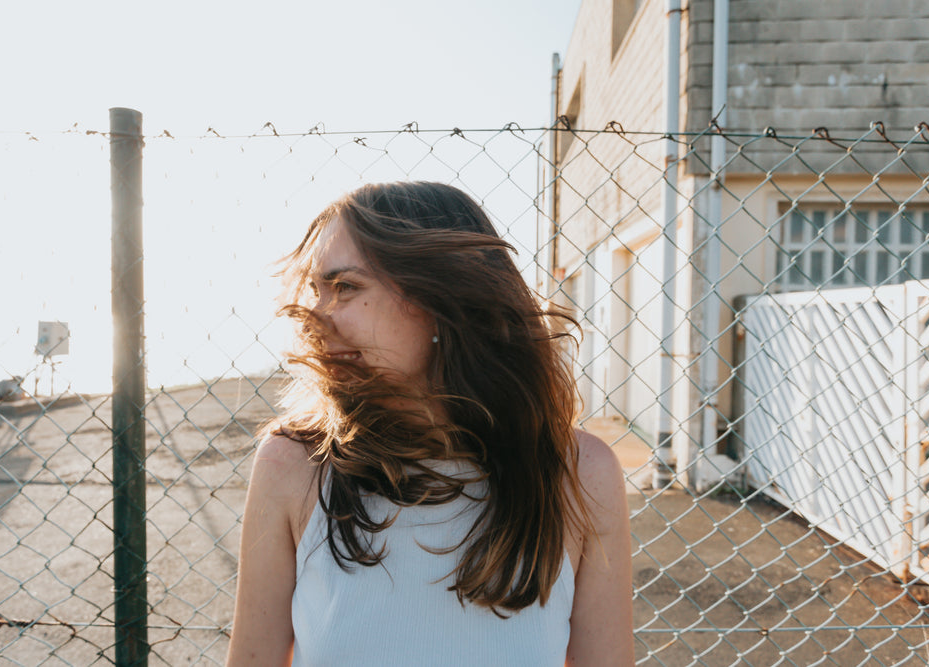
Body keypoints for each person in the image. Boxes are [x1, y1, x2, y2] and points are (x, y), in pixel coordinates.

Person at [227, 182, 634, 666]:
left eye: (346, 287)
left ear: (444, 299)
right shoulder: (295, 463)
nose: (314, 316)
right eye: (316, 290)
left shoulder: (579, 473)